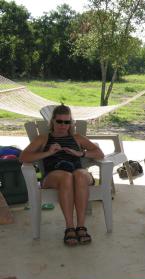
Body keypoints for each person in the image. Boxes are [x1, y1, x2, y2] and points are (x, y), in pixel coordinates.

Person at [20, 104, 104, 246]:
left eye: (67, 122)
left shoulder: (77, 138)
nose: (63, 125)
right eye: (59, 121)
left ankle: (81, 226)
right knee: (66, 176)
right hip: (53, 176)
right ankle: (69, 227)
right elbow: (23, 157)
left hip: (78, 174)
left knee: (80, 175)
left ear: (71, 123)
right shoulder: (44, 139)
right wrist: (48, 152)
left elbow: (99, 154)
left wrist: (81, 153)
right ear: (53, 121)